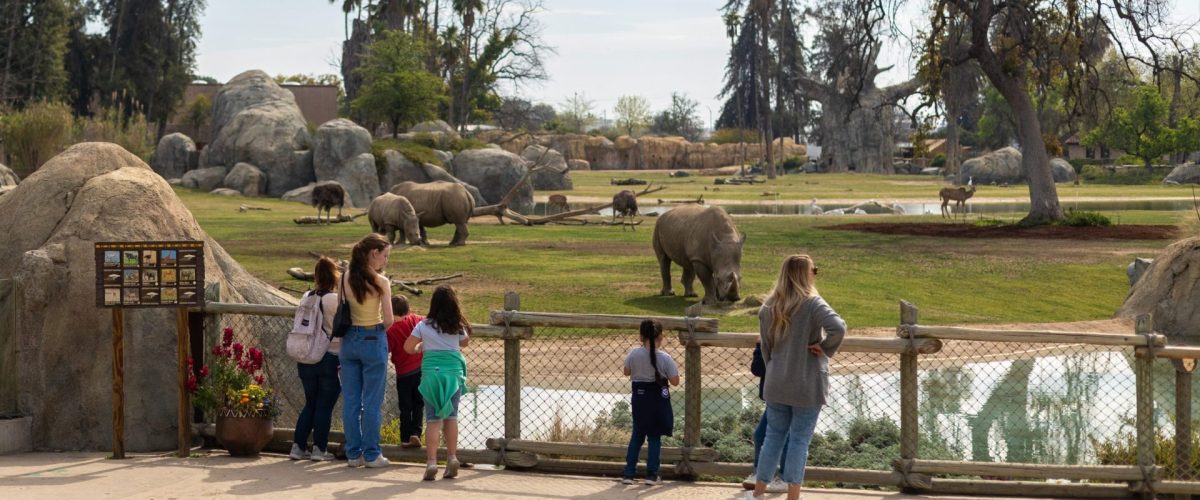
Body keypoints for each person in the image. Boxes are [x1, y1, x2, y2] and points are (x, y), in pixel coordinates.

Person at [750, 255, 845, 500]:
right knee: (799, 440)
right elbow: (839, 326)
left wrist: (774, 368)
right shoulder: (813, 303)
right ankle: (793, 495)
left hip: (777, 382)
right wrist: (825, 348)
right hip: (806, 383)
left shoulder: (768, 307)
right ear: (805, 274)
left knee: (773, 437)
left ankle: (758, 492)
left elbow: (766, 349)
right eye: (814, 269)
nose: (815, 273)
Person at [404, 285, 471, 481]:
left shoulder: (423, 325)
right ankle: (452, 457)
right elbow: (464, 342)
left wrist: (420, 347)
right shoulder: (456, 324)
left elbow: (408, 347)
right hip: (453, 374)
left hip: (431, 374)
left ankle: (432, 462)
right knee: (451, 416)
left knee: (433, 420)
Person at [340, 233, 394, 468]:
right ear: (374, 253)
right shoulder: (381, 282)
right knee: (372, 401)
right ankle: (372, 454)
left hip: (349, 339)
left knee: (351, 400)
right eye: (385, 256)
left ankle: (353, 454)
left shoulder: (344, 277)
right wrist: (377, 329)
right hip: (373, 336)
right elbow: (390, 320)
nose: (385, 261)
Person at [290, 257, 342, 462]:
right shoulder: (334, 300)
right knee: (324, 405)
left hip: (306, 355)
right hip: (329, 355)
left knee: (310, 403)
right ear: (334, 275)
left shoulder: (306, 296)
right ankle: (320, 448)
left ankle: (298, 445)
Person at [621, 320, 680, 486]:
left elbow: (626, 372)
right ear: (661, 337)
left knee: (637, 435)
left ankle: (629, 473)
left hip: (639, 398)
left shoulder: (633, 354)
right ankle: (652, 475)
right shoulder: (665, 358)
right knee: (654, 437)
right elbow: (675, 381)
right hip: (657, 400)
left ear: (641, 337)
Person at [741, 342, 788, 493]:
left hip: (787, 395)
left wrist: (759, 345)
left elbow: (758, 369)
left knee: (786, 437)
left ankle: (783, 478)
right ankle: (761, 475)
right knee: (761, 435)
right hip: (775, 396)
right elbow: (758, 369)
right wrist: (759, 346)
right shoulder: (769, 341)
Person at [386, 294, 425, 449]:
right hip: (420, 369)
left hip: (403, 373)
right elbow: (427, 320)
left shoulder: (390, 330)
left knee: (405, 406)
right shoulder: (415, 320)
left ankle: (404, 437)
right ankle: (416, 432)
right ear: (408, 309)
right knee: (419, 403)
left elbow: (387, 349)